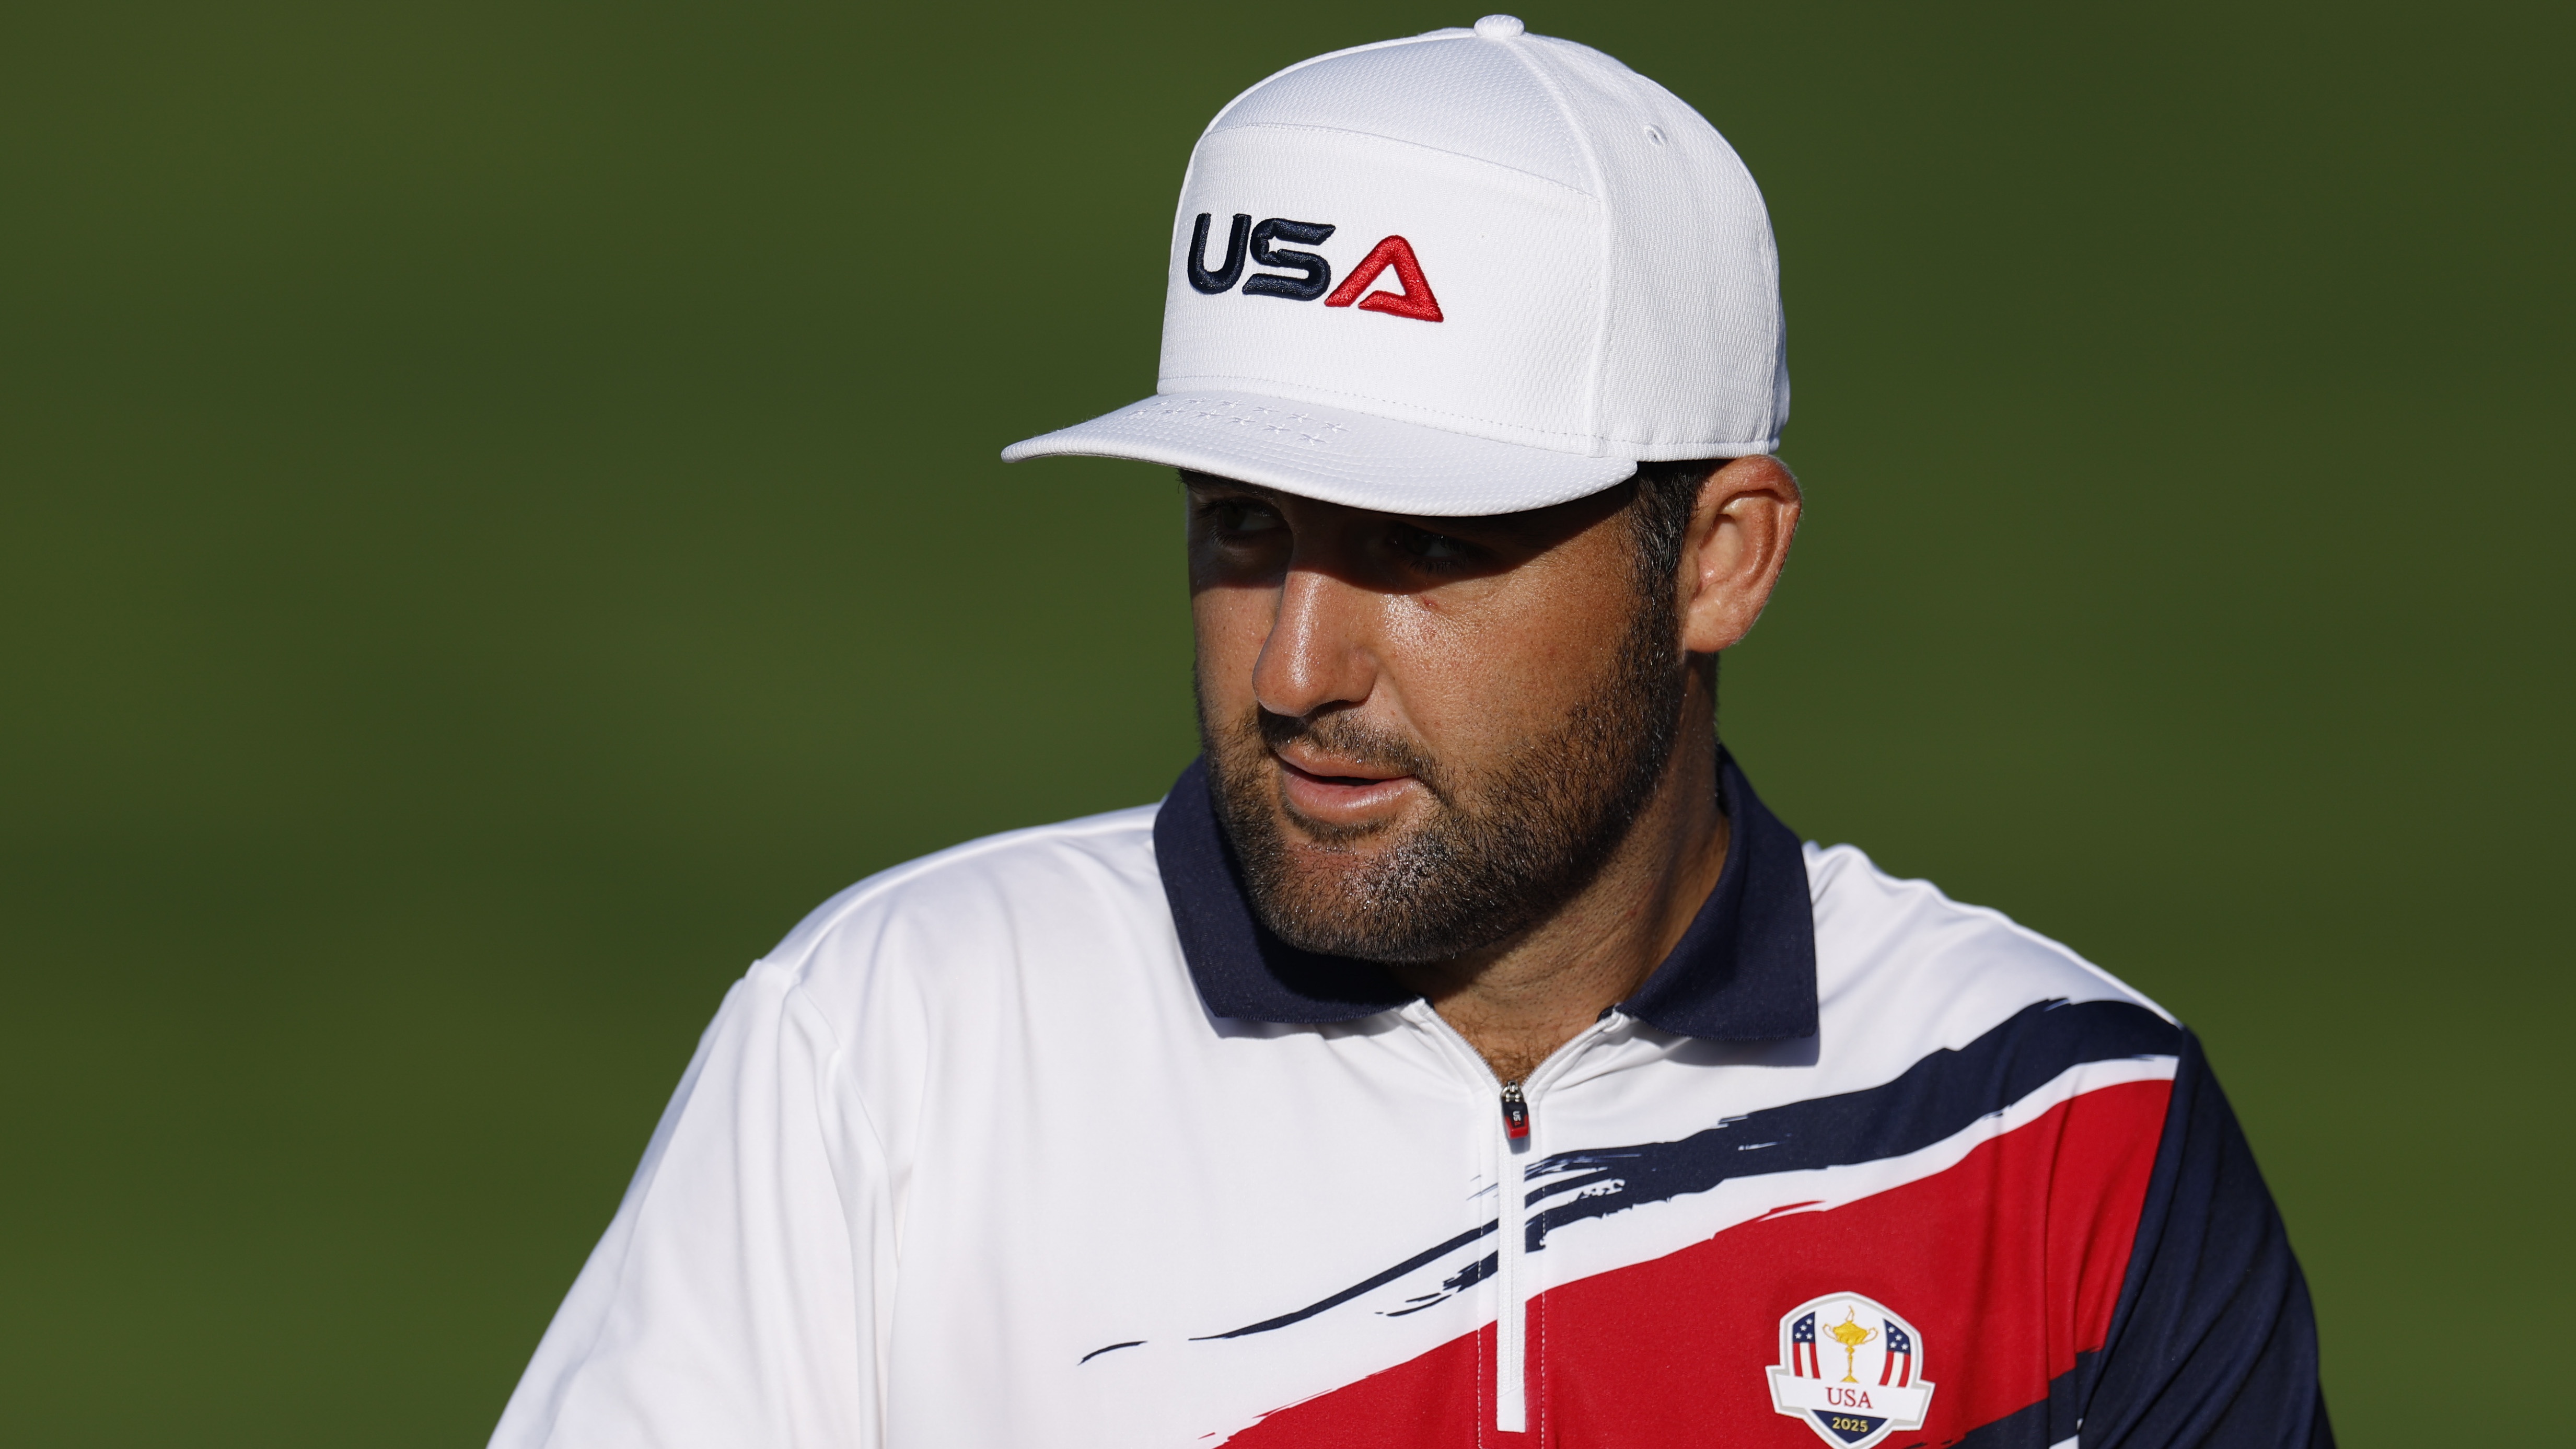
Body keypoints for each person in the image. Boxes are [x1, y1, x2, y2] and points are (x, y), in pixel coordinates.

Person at [490, 17, 2328, 1449]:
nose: (1296, 665)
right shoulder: (890, 1049)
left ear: (1722, 559)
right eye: (1240, 529)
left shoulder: (2060, 1136)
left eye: (1427, 548)